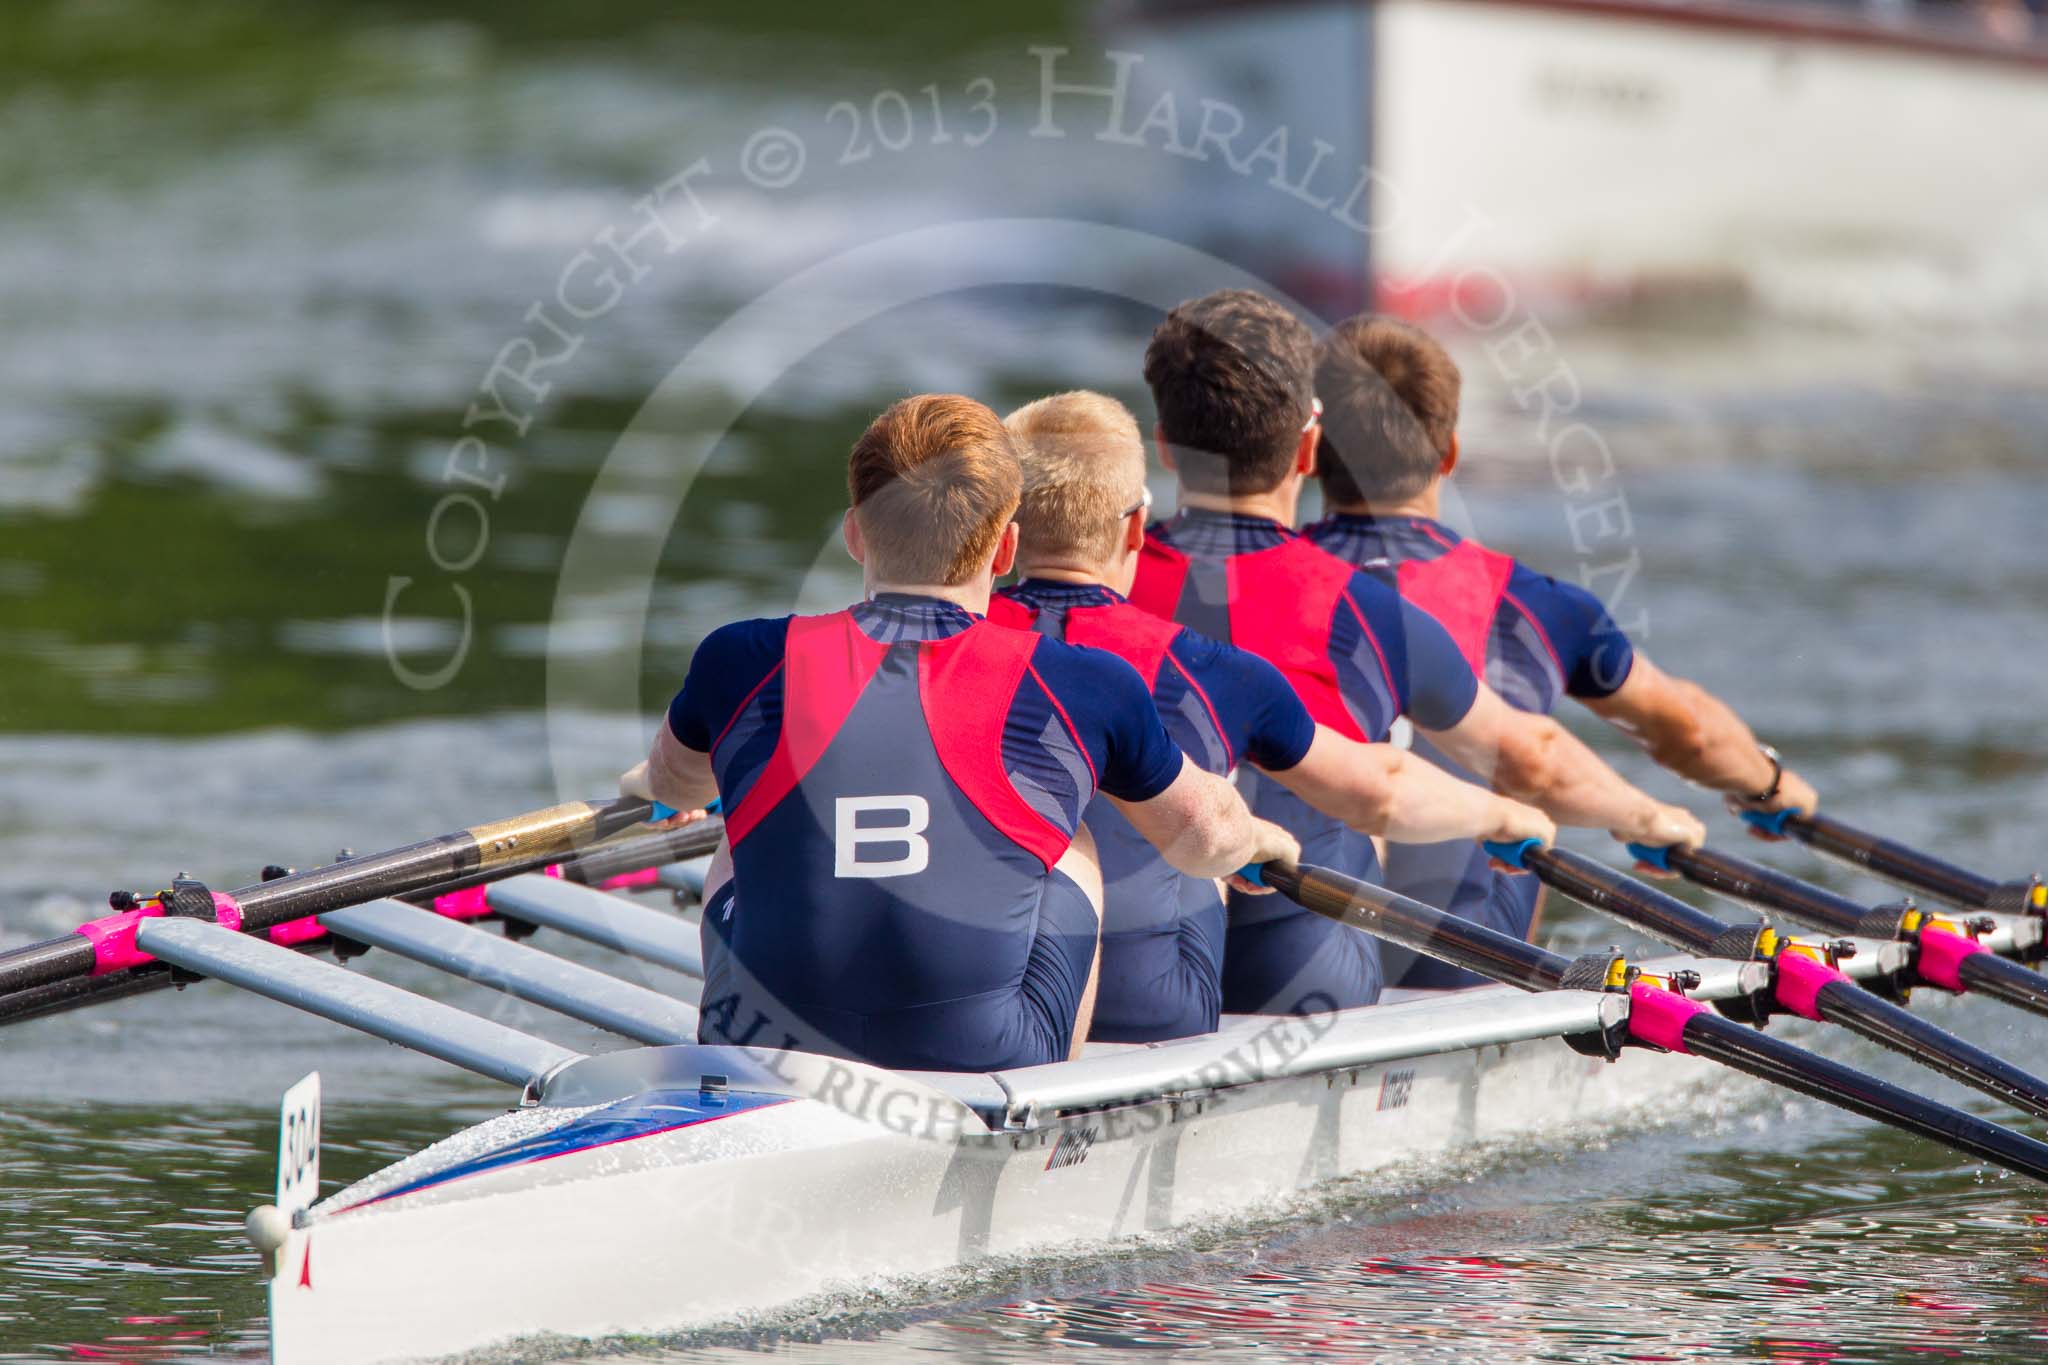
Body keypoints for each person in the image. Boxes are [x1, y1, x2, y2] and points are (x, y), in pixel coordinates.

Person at [618, 394, 1299, 1075]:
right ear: (1005, 546)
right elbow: (1205, 838)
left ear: (856, 533)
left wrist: (658, 786)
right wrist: (1268, 842)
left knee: (742, 822)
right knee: (1071, 840)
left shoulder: (739, 657)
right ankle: (1050, 1088)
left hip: (763, 1043)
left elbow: (671, 782)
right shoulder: (1085, 682)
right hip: (985, 1054)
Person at [1131, 289, 1705, 1014]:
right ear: (1307, 450)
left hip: (1129, 965)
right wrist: (1643, 815)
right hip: (1302, 974)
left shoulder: (1095, 589)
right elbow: (1532, 758)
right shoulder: (1365, 607)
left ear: (1163, 446)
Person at [990, 390, 1557, 1042]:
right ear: (1134, 530)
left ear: (1005, 538)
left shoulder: (938, 654)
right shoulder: (1208, 666)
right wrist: (1507, 816)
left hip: (1001, 986)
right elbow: (1379, 789)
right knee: (1323, 823)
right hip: (1158, 1002)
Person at [1307, 315, 1819, 986]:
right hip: (1464, 972)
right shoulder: (1531, 604)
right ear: (1450, 454)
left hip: (1283, 964)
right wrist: (1771, 784)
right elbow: (1686, 731)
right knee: (1524, 773)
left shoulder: (1248, 586)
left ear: (1312, 450)